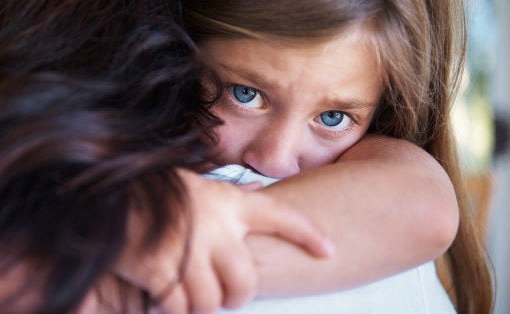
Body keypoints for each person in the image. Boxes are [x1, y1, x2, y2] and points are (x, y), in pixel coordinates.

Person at [163, 0, 492, 313]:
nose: (276, 160)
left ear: (381, 118)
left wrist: (159, 252)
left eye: (333, 118)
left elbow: (426, 211)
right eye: (245, 94)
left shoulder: (378, 171)